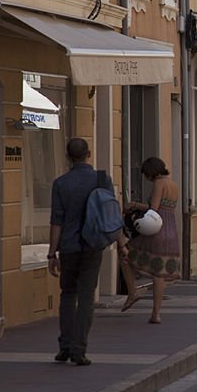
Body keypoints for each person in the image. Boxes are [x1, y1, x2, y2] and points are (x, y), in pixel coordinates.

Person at [48, 138, 122, 366]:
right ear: (88, 153)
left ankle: (65, 346)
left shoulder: (60, 183)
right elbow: (111, 215)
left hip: (69, 246)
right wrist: (122, 244)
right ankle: (80, 349)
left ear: (68, 156)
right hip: (93, 244)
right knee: (87, 297)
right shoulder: (101, 179)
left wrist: (52, 253)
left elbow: (56, 221)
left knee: (68, 295)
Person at [119, 157, 181, 324]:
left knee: (125, 253)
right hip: (170, 230)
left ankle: (132, 292)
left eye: (146, 174)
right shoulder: (174, 185)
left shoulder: (159, 184)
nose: (146, 177)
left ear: (151, 172)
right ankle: (156, 314)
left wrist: (134, 205)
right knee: (159, 272)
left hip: (156, 229)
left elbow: (154, 209)